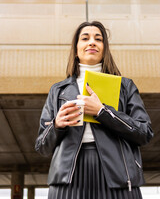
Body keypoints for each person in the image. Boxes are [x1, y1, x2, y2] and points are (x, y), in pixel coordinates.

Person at [35, 21, 153, 199]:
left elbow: (144, 133)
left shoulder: (125, 86)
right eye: (85, 38)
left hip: (118, 174)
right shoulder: (58, 90)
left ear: (104, 49)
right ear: (76, 50)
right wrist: (57, 125)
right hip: (67, 177)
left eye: (98, 39)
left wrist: (103, 112)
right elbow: (41, 146)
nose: (92, 42)